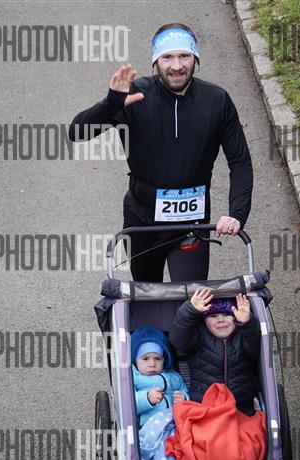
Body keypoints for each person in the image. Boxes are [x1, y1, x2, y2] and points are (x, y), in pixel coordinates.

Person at [69, 23, 253, 282]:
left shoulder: (217, 100)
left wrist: (237, 213)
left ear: (195, 58)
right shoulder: (135, 96)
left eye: (184, 56)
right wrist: (110, 104)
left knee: (190, 297)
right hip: (142, 222)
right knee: (148, 296)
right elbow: (77, 133)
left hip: (192, 222)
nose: (176, 66)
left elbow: (240, 162)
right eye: (167, 57)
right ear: (155, 61)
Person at [169, 290, 260, 415]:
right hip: (204, 408)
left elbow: (255, 345)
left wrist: (247, 323)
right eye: (213, 316)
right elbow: (178, 341)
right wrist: (190, 311)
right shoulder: (198, 337)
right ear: (204, 321)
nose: (220, 320)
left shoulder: (242, 336)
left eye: (227, 315)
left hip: (240, 408)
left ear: (235, 317)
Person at [131, 326, 189, 427]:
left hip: (175, 424)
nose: (152, 364)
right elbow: (129, 404)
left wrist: (184, 398)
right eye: (145, 359)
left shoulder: (174, 377)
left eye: (157, 358)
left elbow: (185, 392)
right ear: (135, 360)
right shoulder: (133, 379)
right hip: (149, 427)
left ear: (164, 359)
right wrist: (147, 398)